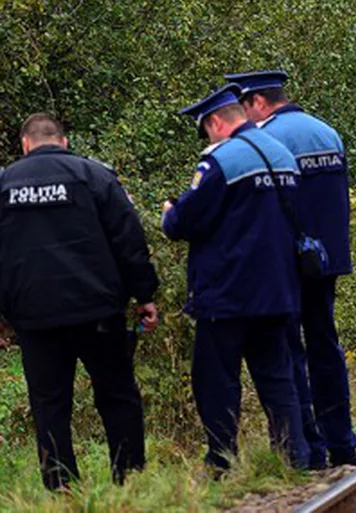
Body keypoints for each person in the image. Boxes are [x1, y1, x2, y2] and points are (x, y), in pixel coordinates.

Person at [0, 113, 158, 490]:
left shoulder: (4, 184)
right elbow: (129, 240)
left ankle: (62, 489)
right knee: (118, 395)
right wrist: (144, 295)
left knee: (50, 404)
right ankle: (130, 480)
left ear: (25, 144)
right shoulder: (94, 177)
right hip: (98, 311)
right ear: (64, 142)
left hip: (34, 317)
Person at [161, 85, 309, 471]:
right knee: (278, 378)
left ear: (214, 123)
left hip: (227, 292)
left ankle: (222, 460)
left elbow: (183, 222)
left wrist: (168, 212)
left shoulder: (221, 161)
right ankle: (293, 457)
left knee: (216, 380)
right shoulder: (282, 154)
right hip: (278, 288)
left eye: (206, 129)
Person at [226, 69, 356, 469]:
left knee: (289, 355)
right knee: (326, 347)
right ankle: (343, 443)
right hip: (327, 260)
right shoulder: (326, 132)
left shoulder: (268, 142)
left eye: (243, 109)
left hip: (285, 264)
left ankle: (309, 451)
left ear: (258, 103)